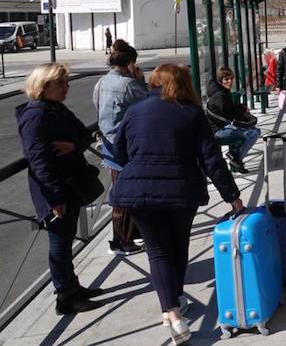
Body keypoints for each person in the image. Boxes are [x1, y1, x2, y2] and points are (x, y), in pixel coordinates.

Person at [110, 64, 243, 345]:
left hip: (139, 191)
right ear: (184, 85)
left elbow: (119, 154)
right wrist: (231, 195)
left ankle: (172, 313)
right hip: (181, 190)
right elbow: (211, 159)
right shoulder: (192, 113)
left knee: (157, 252)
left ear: (155, 83)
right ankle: (176, 298)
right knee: (178, 245)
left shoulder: (133, 112)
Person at [17, 63, 104, 315]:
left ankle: (73, 287)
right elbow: (38, 160)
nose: (67, 88)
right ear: (44, 87)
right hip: (56, 190)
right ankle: (65, 296)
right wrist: (54, 196)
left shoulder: (55, 108)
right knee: (59, 244)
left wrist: (72, 145)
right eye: (61, 84)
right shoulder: (35, 115)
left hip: (70, 185)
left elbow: (84, 135)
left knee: (65, 242)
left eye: (67, 82)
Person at [93, 39, 147, 256]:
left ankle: (122, 237)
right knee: (126, 193)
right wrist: (141, 80)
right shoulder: (128, 85)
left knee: (118, 190)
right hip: (126, 145)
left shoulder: (101, 82)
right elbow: (147, 103)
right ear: (130, 63)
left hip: (108, 144)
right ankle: (122, 240)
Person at [206, 67, 261, 174]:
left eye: (231, 78)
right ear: (220, 81)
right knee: (253, 134)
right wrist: (242, 110)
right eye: (226, 79)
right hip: (217, 131)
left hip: (223, 127)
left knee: (256, 131)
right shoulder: (220, 96)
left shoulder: (222, 92)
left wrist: (241, 108)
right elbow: (229, 114)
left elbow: (230, 109)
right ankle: (236, 158)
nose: (229, 81)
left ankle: (235, 155)